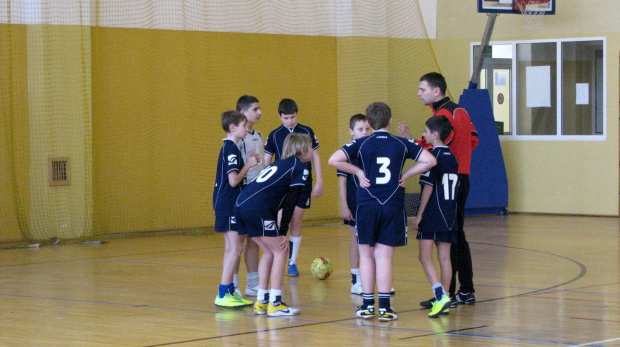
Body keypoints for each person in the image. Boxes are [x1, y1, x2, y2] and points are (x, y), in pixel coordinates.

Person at [328, 102, 436, 322]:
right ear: (390, 121)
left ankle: (368, 305)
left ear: (368, 123)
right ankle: (385, 308)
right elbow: (430, 160)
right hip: (393, 204)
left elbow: (333, 160)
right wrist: (406, 175)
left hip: (366, 205)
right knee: (384, 257)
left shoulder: (361, 143)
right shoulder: (402, 143)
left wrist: (358, 171)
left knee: (366, 256)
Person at [397, 72, 479, 308]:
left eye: (422, 89)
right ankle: (465, 290)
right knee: (456, 235)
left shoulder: (442, 116)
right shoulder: (461, 111)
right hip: (461, 177)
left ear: (436, 91)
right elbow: (474, 140)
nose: (418, 93)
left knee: (446, 240)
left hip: (444, 181)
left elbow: (436, 150)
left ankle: (447, 294)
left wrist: (412, 141)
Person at [236, 133, 314, 317]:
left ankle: (262, 302)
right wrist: (282, 232)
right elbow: (290, 202)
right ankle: (276, 303)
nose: (312, 151)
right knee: (280, 250)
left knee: (270, 251)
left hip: (242, 204)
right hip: (257, 208)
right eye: (310, 148)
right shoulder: (300, 167)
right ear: (302, 150)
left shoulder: (278, 164)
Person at [264, 98, 323, 277]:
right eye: (286, 118)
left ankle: (292, 261)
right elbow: (267, 159)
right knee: (281, 221)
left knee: (296, 220)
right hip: (282, 184)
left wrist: (319, 180)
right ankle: (279, 256)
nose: (290, 121)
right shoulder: (274, 135)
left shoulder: (306, 131)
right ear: (279, 116)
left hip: (302, 183)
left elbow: (316, 156)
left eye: (293, 117)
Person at [412, 116, 459, 318]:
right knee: (444, 258)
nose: (423, 134)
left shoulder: (432, 157)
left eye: (425, 131)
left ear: (435, 135)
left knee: (424, 256)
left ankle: (440, 296)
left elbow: (428, 188)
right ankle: (446, 297)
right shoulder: (453, 158)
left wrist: (419, 215)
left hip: (433, 212)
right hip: (450, 212)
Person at [213, 110, 260, 308]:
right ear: (233, 128)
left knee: (232, 248)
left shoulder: (231, 148)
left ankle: (230, 290)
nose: (247, 127)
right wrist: (248, 165)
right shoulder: (230, 148)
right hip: (228, 203)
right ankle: (224, 292)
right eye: (243, 125)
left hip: (225, 202)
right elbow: (233, 181)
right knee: (236, 248)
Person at [337, 114, 371, 295]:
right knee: (356, 240)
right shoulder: (346, 153)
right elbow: (342, 182)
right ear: (351, 132)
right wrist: (344, 206)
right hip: (354, 202)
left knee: (373, 241)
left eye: (367, 129)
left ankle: (375, 279)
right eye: (360, 129)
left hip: (372, 203)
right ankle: (355, 279)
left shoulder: (374, 149)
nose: (364, 132)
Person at [235, 95, 264, 297]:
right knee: (238, 240)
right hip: (241, 193)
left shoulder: (260, 135)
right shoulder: (236, 141)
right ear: (243, 113)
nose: (260, 112)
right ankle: (233, 284)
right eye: (255, 109)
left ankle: (252, 283)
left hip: (257, 194)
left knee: (255, 239)